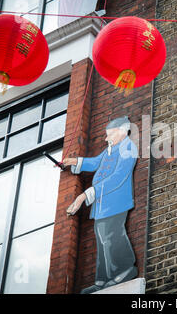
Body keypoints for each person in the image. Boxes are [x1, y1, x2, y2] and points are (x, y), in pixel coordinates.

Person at [63, 116, 138, 294]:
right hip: (102, 204)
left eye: (109, 134)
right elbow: (96, 162)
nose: (106, 139)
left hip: (116, 202)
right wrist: (75, 162)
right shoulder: (110, 149)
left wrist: (86, 195)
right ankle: (102, 280)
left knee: (112, 235)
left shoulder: (128, 148)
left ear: (122, 131)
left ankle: (125, 270)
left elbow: (118, 178)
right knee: (102, 237)